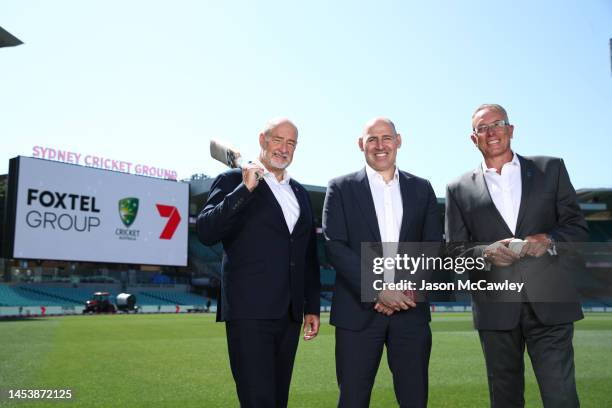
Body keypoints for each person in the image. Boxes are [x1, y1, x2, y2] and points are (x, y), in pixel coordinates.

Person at [445, 104, 588, 407]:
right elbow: (455, 253)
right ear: (474, 138)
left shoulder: (551, 169)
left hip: (550, 304)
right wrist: (485, 253)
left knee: (560, 397)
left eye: (498, 123)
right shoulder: (457, 188)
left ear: (511, 129)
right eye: (482, 128)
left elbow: (577, 228)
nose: (491, 131)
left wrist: (550, 239)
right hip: (496, 309)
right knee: (505, 400)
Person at [197, 118, 321, 408]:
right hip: (249, 313)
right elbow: (206, 231)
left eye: (291, 143)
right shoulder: (232, 181)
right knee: (257, 400)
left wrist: (311, 306)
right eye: (278, 139)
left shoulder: (300, 192)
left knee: (278, 400)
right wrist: (244, 189)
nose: (284, 148)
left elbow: (308, 255)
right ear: (262, 140)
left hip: (289, 315)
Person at [323, 117, 442, 408]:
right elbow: (335, 246)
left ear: (398, 141)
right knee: (352, 399)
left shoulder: (422, 188)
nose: (380, 145)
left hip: (410, 310)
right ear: (361, 144)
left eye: (386, 137)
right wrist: (378, 289)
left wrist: (402, 289)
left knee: (414, 399)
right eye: (372, 139)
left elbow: (432, 245)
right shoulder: (340, 187)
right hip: (357, 313)